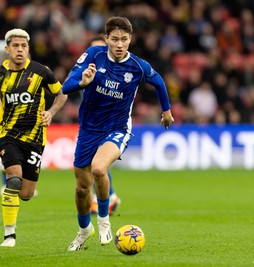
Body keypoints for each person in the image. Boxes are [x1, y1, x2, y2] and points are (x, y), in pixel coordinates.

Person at [62, 16, 174, 251]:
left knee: (99, 169)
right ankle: (84, 230)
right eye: (115, 39)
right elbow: (67, 85)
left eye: (124, 39)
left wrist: (166, 111)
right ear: (106, 39)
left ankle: (103, 220)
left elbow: (160, 82)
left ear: (130, 40)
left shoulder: (138, 66)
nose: (120, 44)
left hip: (117, 129)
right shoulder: (94, 56)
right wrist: (82, 82)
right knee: (82, 188)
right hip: (89, 129)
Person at [0, 28, 67, 248]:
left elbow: (61, 94)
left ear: (28, 48)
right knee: (14, 179)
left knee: (26, 194)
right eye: (16, 46)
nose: (20, 50)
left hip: (36, 138)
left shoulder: (41, 72)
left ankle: (9, 171)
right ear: (7, 49)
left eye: (24, 46)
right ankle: (9, 235)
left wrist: (51, 112)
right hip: (9, 135)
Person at [88, 34, 121, 215]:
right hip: (91, 120)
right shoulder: (88, 67)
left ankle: (105, 198)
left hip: (111, 123)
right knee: (92, 163)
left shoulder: (118, 70)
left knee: (97, 163)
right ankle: (110, 195)